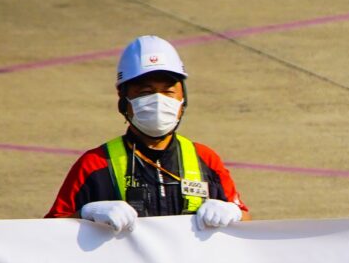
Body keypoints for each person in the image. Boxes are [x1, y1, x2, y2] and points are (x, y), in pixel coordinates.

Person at [47, 35, 249, 229]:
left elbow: (246, 219)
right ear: (123, 99)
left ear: (183, 99)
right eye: (145, 92)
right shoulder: (94, 164)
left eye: (168, 91)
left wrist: (235, 213)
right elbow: (48, 230)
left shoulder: (205, 159)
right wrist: (84, 215)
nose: (159, 101)